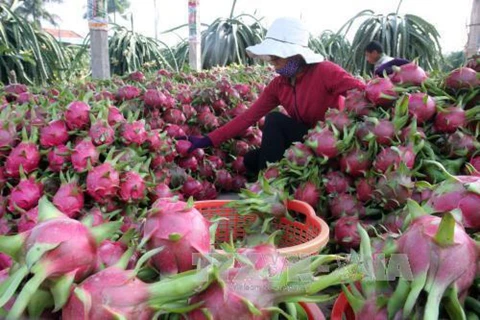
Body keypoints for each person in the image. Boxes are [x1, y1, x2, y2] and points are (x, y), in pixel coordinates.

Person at [184, 17, 366, 178]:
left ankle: (269, 186)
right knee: (250, 160)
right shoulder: (279, 85)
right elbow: (248, 117)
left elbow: (364, 93)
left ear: (296, 54)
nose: (273, 64)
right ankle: (284, 178)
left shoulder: (325, 71)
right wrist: (207, 140)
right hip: (305, 141)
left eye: (277, 57)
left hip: (329, 142)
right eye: (272, 58)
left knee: (274, 120)